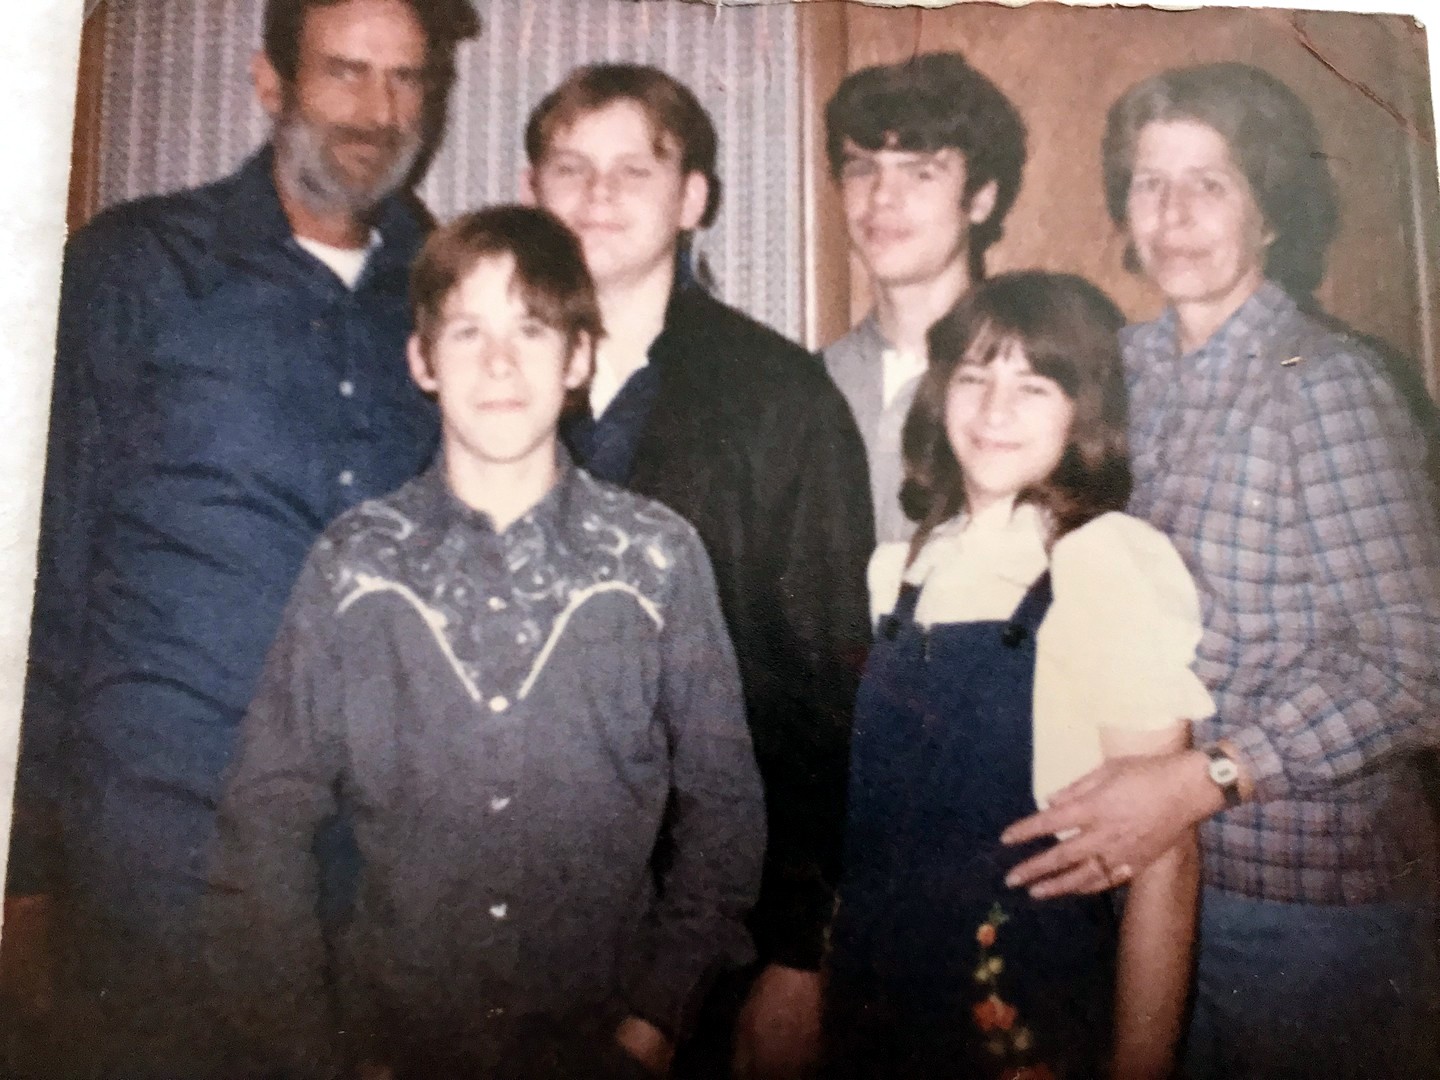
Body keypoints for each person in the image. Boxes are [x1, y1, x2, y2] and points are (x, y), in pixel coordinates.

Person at [0, 0, 478, 1072]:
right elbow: (42, 568)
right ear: (271, 82)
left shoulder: (450, 299)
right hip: (152, 868)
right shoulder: (134, 269)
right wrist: (22, 869)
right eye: (346, 71)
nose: (379, 110)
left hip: (366, 887)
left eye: (406, 78)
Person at [202, 204, 766, 1080]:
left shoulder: (659, 559)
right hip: (398, 1047)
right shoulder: (353, 566)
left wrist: (654, 1023)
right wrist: (318, 1053)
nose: (500, 362)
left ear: (578, 358)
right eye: (468, 331)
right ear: (421, 360)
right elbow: (263, 822)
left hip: (602, 1046)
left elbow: (725, 813)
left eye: (531, 329)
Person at [1000, 63, 1440, 1079]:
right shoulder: (1122, 371)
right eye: (1150, 183)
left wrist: (1204, 779)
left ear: (1270, 207)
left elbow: (1416, 665)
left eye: (1211, 182)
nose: (1174, 214)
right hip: (1144, 887)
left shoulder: (1325, 385)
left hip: (1306, 919)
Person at [522, 63, 874, 1079]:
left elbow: (825, 688)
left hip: (712, 929)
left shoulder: (780, 397)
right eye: (571, 167)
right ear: (531, 190)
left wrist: (799, 957)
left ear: (692, 199)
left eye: (635, 169)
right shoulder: (483, 377)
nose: (598, 194)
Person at [825, 271, 1208, 1080]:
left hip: (1021, 1007)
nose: (994, 411)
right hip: (874, 1004)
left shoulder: (1103, 562)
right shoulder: (899, 570)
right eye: (973, 378)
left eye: (1033, 387)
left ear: (1082, 413)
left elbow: (1166, 861)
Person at [822, 51, 1027, 544]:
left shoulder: (1030, 382)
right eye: (862, 168)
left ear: (980, 199)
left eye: (920, 172)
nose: (881, 197)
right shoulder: (808, 386)